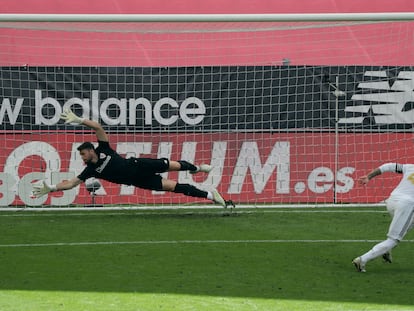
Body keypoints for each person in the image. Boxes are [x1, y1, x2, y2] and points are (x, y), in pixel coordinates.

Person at [32, 108, 228, 208]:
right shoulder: (91, 170)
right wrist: (52, 188)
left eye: (83, 153)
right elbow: (72, 183)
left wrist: (80, 120)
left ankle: (197, 168)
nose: (82, 158)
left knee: (175, 165)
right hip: (139, 180)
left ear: (91, 150)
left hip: (139, 164)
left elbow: (98, 128)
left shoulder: (104, 148)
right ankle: (211, 196)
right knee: (175, 188)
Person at [353, 163, 414, 272]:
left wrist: (369, 176)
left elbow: (388, 166)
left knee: (410, 223)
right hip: (406, 205)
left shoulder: (410, 167)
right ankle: (362, 260)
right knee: (394, 239)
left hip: (392, 200)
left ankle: (386, 250)